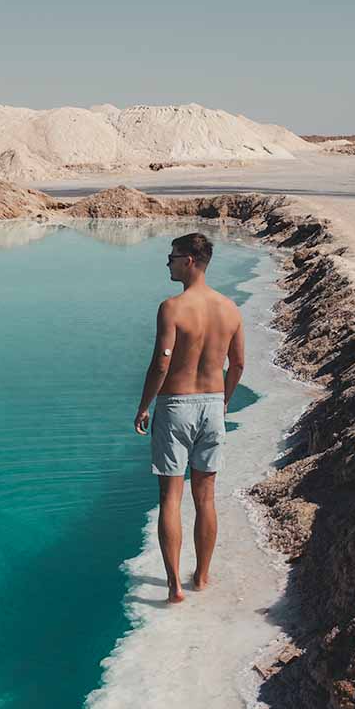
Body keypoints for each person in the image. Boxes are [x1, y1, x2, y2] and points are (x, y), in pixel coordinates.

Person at [134, 233, 245, 603]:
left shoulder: (172, 307)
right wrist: (224, 400)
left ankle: (174, 586)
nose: (168, 262)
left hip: (176, 405)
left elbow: (162, 362)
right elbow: (239, 363)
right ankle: (201, 576)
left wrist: (144, 405)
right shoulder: (230, 308)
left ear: (190, 262)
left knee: (170, 497)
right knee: (206, 498)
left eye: (172, 257)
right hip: (213, 405)